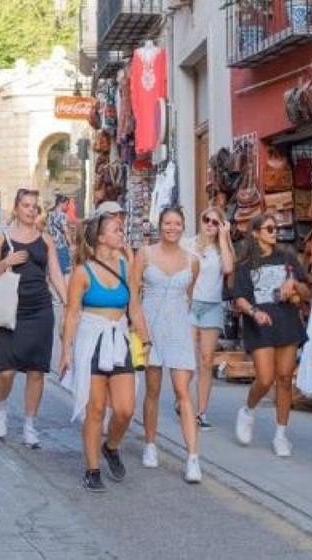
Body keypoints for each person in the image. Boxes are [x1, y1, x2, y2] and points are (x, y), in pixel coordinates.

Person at [58, 210, 149, 492]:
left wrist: (144, 340)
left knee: (124, 409)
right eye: (116, 230)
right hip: (92, 339)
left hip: (120, 338)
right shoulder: (82, 272)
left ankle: (111, 446)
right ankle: (92, 469)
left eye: (121, 230)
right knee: (95, 409)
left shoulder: (125, 265)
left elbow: (134, 306)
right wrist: (65, 351)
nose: (121, 233)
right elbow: (72, 314)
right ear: (100, 237)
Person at [0, 188, 68, 450]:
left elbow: (54, 273)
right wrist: (6, 262)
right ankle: (1, 409)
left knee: (36, 370)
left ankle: (30, 425)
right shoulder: (2, 237)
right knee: (6, 371)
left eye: (34, 206)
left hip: (40, 309)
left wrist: (68, 303)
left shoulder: (45, 240)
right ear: (17, 208)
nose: (31, 210)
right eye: (26, 205)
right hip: (11, 310)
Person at [229, 211, 311, 456]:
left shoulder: (287, 257)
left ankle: (281, 435)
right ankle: (247, 410)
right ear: (255, 233)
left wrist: (294, 285)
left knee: (285, 379)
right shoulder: (244, 264)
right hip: (260, 323)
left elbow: (307, 291)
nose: (275, 233)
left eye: (276, 229)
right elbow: (239, 298)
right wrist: (254, 312)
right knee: (265, 378)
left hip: (287, 322)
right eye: (269, 229)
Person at [133, 206, 202, 482]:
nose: (171, 228)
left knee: (183, 391)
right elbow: (134, 296)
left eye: (176, 223)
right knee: (152, 390)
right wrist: (141, 332)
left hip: (179, 328)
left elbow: (189, 294)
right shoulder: (145, 254)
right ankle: (150, 444)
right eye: (167, 223)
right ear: (160, 225)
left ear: (183, 227)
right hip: (151, 326)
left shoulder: (192, 261)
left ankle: (193, 458)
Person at [191, 206, 234, 429]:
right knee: (189, 359)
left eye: (215, 222)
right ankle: (183, 398)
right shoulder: (190, 245)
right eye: (206, 219)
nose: (210, 225)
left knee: (206, 361)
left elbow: (228, 269)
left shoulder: (222, 249)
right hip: (190, 305)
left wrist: (225, 237)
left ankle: (201, 411)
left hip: (212, 306)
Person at [46, 194, 74, 279]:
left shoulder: (50, 215)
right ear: (61, 203)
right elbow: (66, 232)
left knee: (52, 271)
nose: (67, 207)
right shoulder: (62, 215)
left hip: (51, 246)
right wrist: (71, 244)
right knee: (65, 272)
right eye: (66, 204)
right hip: (61, 246)